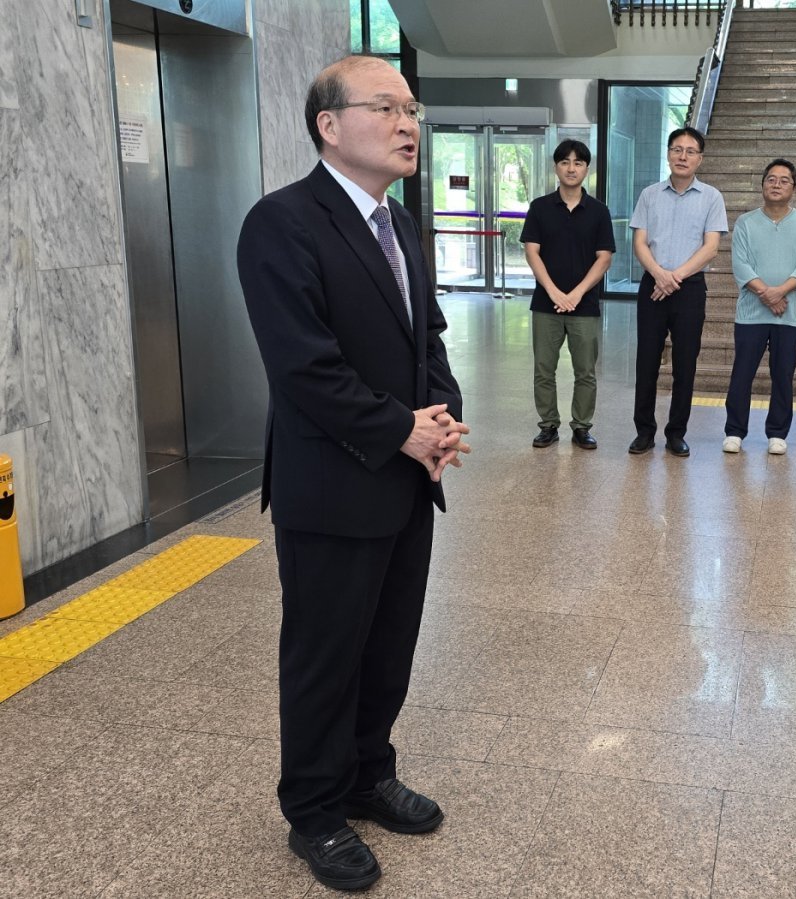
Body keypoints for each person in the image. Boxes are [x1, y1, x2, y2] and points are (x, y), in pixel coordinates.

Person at [237, 56, 469, 891]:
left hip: (406, 480)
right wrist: (399, 431)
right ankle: (315, 809)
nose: (409, 122)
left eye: (411, 108)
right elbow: (305, 368)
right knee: (324, 654)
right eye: (387, 106)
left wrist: (440, 418)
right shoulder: (282, 223)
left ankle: (369, 773)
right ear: (329, 125)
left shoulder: (401, 224)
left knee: (389, 646)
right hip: (331, 487)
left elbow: (426, 336)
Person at [628, 126, 729, 457]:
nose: (682, 156)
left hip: (689, 289)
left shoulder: (712, 197)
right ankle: (644, 431)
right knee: (647, 361)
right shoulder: (649, 194)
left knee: (686, 363)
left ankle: (676, 432)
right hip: (652, 285)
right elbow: (639, 242)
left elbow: (711, 246)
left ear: (700, 158)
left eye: (690, 151)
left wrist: (675, 277)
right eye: (677, 149)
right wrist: (658, 274)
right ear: (668, 153)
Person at [521, 139, 615, 450]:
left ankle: (581, 427)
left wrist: (574, 294)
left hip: (584, 304)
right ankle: (548, 425)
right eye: (564, 162)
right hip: (545, 305)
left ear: (587, 168)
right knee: (543, 369)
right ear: (556, 167)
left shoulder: (599, 211)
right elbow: (532, 252)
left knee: (585, 371)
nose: (571, 168)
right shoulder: (539, 208)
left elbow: (604, 257)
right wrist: (553, 292)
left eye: (578, 162)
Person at [722, 159, 796, 455]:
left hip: (789, 315)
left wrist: (778, 293)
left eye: (783, 180)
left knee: (783, 374)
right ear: (762, 184)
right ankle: (735, 430)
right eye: (771, 179)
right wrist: (766, 294)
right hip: (751, 314)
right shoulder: (746, 222)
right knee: (742, 373)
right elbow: (741, 264)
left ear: (794, 188)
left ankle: (777, 432)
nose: (776, 185)